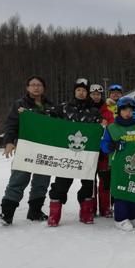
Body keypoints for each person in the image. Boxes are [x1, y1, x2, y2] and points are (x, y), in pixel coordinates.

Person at [0, 76, 54, 225]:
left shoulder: (51, 106)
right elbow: (11, 124)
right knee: (18, 179)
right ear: (27, 88)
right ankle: (6, 213)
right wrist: (9, 142)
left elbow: (58, 127)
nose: (36, 87)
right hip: (26, 148)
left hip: (45, 149)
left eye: (39, 85)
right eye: (32, 85)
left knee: (42, 181)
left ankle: (35, 211)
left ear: (43, 88)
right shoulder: (20, 104)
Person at [47, 78, 104, 227]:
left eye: (84, 90)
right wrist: (28, 115)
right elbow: (47, 120)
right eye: (78, 90)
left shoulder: (94, 111)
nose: (81, 92)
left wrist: (102, 125)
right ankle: (54, 214)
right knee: (61, 184)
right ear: (74, 91)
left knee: (88, 184)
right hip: (66, 154)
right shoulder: (63, 108)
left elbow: (99, 131)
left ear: (88, 93)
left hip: (87, 156)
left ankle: (86, 212)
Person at [100, 96, 135, 231]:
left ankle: (134, 215)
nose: (128, 113)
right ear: (119, 111)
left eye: (131, 110)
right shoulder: (112, 127)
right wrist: (114, 145)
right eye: (124, 110)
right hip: (118, 165)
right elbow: (104, 145)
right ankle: (120, 218)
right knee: (121, 191)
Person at [90, 83, 113, 217]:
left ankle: (105, 208)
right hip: (89, 152)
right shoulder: (85, 111)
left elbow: (113, 130)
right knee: (89, 181)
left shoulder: (108, 113)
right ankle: (91, 207)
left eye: (98, 94)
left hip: (104, 152)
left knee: (105, 181)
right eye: (93, 94)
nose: (96, 97)